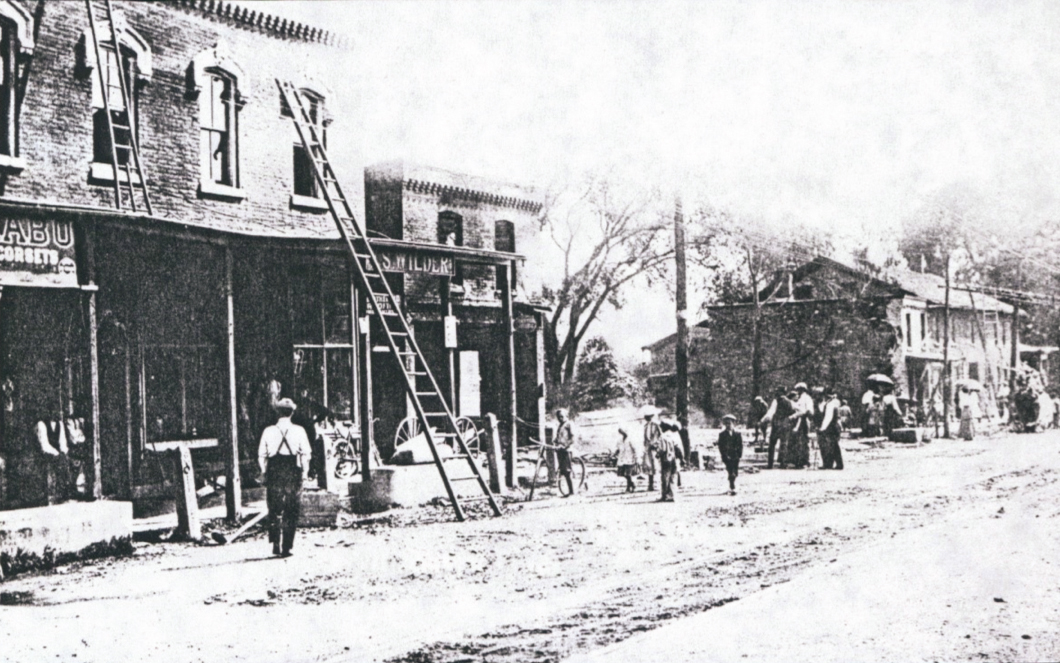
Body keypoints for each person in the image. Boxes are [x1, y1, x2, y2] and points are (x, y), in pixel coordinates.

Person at [258, 398, 312, 557]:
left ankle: (275, 543)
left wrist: (264, 471)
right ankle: (287, 547)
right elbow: (306, 455)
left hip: (274, 472)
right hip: (292, 472)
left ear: (277, 412)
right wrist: (305, 473)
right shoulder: (299, 430)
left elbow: (261, 455)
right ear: (292, 413)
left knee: (274, 509)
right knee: (291, 510)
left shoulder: (268, 431)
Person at [760, 388, 793, 469]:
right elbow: (796, 411)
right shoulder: (789, 401)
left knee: (772, 444)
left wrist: (763, 420)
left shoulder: (776, 401)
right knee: (784, 444)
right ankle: (783, 463)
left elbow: (771, 412)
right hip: (785, 425)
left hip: (776, 425)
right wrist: (791, 418)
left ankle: (770, 464)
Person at [786, 383, 813, 469]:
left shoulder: (807, 398)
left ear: (802, 389)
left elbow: (807, 411)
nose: (798, 391)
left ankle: (805, 460)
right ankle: (798, 460)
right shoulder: (800, 398)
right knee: (798, 441)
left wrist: (796, 415)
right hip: (799, 420)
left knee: (804, 441)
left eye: (799, 389)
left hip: (803, 420)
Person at [656, 420, 683, 502]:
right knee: (673, 477)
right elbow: (679, 448)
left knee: (665, 478)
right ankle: (672, 495)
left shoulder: (663, 437)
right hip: (674, 459)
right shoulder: (675, 435)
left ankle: (664, 496)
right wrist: (681, 458)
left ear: (664, 427)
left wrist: (657, 454)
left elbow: (662, 449)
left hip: (666, 459)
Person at [818, 388, 844, 470]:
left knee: (829, 446)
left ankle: (828, 464)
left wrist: (822, 428)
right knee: (834, 446)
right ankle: (838, 464)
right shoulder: (835, 402)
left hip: (831, 426)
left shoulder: (830, 404)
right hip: (835, 426)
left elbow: (828, 417)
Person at [717, 414, 743, 495]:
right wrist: (724, 455)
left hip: (735, 455)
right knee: (730, 470)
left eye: (730, 423)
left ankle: (732, 483)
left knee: (735, 470)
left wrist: (739, 454)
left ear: (733, 424)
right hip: (727, 455)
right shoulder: (722, 435)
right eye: (727, 424)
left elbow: (740, 445)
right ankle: (732, 486)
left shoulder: (737, 434)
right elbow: (721, 446)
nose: (728, 425)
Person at [554, 408, 576, 497]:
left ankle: (571, 491)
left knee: (567, 471)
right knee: (562, 470)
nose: (560, 418)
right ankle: (567, 491)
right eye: (559, 417)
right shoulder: (560, 426)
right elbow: (558, 437)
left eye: (562, 416)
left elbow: (572, 438)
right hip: (560, 450)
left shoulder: (569, 424)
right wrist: (555, 441)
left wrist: (565, 445)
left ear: (566, 416)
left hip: (567, 450)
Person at [641, 406, 662, 492]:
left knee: (656, 465)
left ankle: (657, 484)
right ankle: (650, 484)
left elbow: (661, 435)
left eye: (648, 416)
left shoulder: (656, 425)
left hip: (655, 447)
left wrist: (657, 444)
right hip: (647, 447)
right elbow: (645, 437)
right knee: (649, 466)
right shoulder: (645, 426)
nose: (646, 417)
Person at [613, 427, 637, 493]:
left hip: (630, 458)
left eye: (623, 431)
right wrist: (614, 454)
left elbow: (635, 449)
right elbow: (618, 449)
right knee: (622, 473)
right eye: (621, 432)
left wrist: (636, 458)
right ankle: (632, 484)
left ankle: (628, 488)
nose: (622, 433)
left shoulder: (631, 439)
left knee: (628, 474)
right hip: (622, 458)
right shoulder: (619, 440)